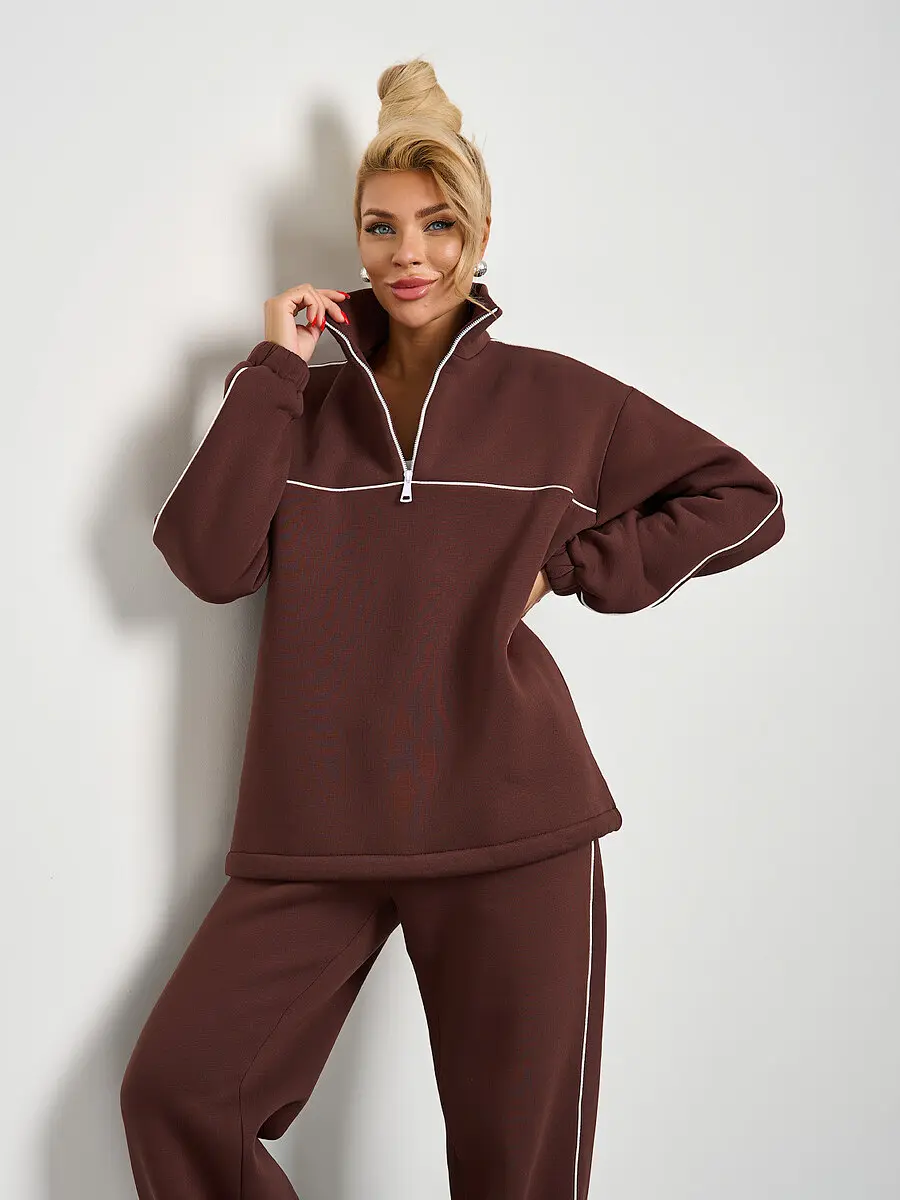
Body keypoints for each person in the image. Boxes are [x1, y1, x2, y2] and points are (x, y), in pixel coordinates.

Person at [119, 56, 786, 1200]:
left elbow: (745, 498)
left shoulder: (559, 402)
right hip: (320, 827)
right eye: (381, 227)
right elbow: (208, 561)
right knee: (180, 1093)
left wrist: (571, 568)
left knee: (516, 1176)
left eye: (437, 225)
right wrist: (273, 367)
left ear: (479, 234)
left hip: (513, 820)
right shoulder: (298, 403)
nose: (408, 255)